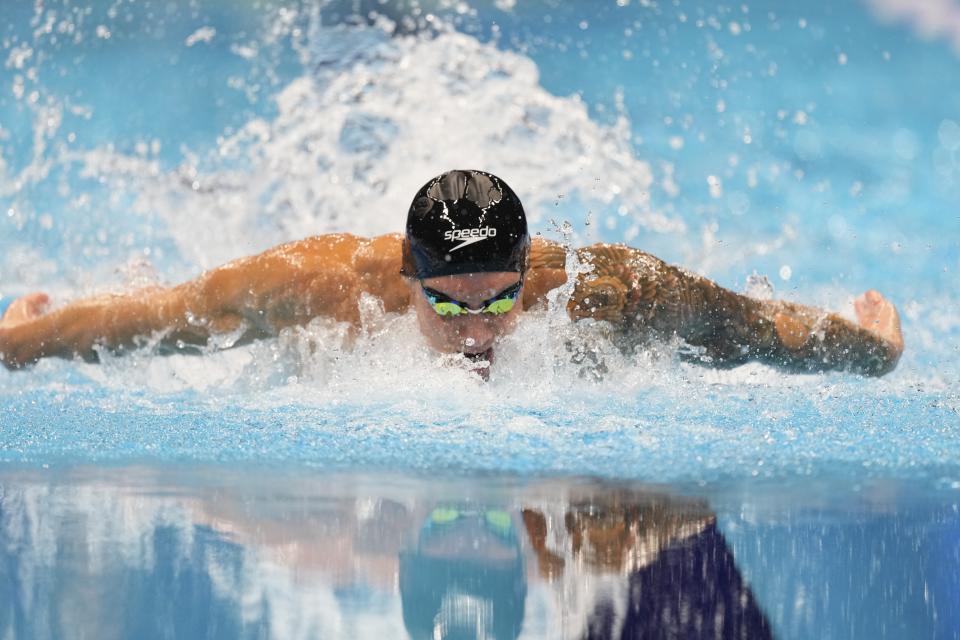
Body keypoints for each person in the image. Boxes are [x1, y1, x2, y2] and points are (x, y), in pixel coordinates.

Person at [0, 169, 903, 377]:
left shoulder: (603, 286)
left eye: (501, 299)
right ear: (404, 273)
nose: (480, 334)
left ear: (528, 266)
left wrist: (871, 352)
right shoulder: (313, 286)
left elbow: (747, 328)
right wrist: (26, 338)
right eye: (450, 305)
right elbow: (156, 320)